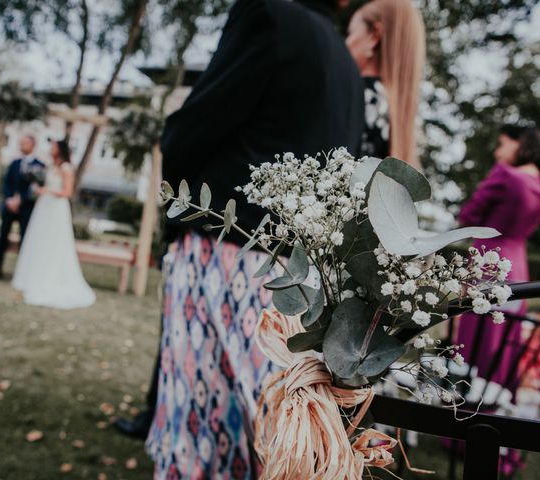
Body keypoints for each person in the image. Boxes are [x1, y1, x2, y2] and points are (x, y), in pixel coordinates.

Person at [144, 0, 364, 477]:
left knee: (202, 421)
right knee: (279, 428)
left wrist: (178, 185)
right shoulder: (346, 62)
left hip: (227, 246)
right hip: (304, 275)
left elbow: (196, 126)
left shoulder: (267, 14)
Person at [457, 126, 540, 388]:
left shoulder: (506, 175)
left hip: (490, 261)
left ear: (520, 145)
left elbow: (469, 216)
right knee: (503, 346)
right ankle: (495, 414)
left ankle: (461, 416)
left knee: (476, 346)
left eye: (502, 144)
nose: (497, 152)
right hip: (518, 265)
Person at [12, 140, 95, 310]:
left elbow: (67, 192)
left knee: (53, 242)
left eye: (54, 146)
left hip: (56, 208)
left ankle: (49, 279)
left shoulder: (66, 168)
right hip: (43, 206)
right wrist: (38, 188)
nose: (51, 148)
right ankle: (32, 277)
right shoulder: (50, 166)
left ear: (61, 150)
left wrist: (47, 191)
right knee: (39, 241)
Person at [345, 0, 425, 166]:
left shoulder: (357, 95)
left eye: (350, 33)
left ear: (374, 36)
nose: (346, 43)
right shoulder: (398, 113)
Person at [0, 135, 45, 278]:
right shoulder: (14, 163)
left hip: (26, 208)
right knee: (2, 237)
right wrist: (9, 199)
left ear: (33, 145)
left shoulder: (39, 165)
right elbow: (6, 183)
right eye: (21, 143)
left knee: (25, 239)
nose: (21, 145)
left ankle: (21, 273)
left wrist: (22, 200)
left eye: (24, 143)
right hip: (9, 206)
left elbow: (37, 188)